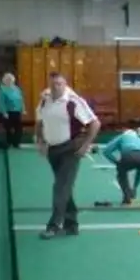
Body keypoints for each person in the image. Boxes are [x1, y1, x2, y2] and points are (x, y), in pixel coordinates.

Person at [34, 70, 99, 239]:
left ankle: (54, 225)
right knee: (64, 188)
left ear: (65, 84)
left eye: (60, 84)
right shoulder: (44, 101)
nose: (56, 87)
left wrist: (86, 145)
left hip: (71, 149)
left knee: (60, 187)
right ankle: (72, 224)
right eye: (53, 84)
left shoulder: (73, 102)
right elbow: (40, 122)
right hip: (53, 149)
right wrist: (40, 141)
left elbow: (94, 123)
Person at [99, 124, 140, 206]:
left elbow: (106, 151)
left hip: (128, 156)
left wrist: (116, 162)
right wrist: (135, 187)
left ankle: (127, 198)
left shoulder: (122, 137)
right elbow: (139, 171)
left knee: (121, 174)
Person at [0, 72, 24, 150]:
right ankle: (9, 142)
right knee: (8, 128)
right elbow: (1, 102)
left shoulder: (17, 89)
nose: (9, 81)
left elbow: (21, 99)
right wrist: (4, 112)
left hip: (17, 111)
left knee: (19, 128)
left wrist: (23, 109)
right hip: (8, 112)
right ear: (5, 81)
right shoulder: (2, 90)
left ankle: (16, 143)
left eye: (11, 80)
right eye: (8, 80)